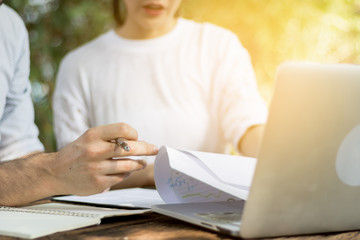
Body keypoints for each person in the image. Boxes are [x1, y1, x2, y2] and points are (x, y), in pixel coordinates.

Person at [53, 0, 268, 188]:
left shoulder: (218, 45)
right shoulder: (78, 66)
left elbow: (247, 123)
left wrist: (276, 160)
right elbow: (73, 170)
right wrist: (153, 174)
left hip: (206, 214)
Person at [0, 3, 158, 207]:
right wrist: (51, 173)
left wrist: (84, 170)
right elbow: (38, 174)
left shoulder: (8, 25)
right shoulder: (79, 64)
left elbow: (16, 151)